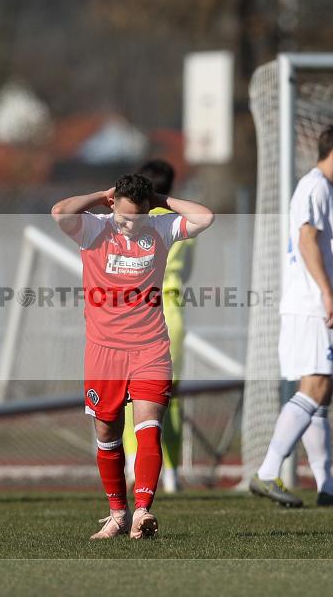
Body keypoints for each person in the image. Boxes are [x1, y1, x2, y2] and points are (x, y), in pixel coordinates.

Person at [51, 174, 214, 539]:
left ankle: (142, 511)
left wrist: (160, 201)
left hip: (150, 348)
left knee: (148, 428)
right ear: (113, 206)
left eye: (137, 218)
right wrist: (100, 195)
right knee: (107, 431)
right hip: (104, 350)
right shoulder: (95, 228)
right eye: (124, 218)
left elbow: (205, 217)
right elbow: (59, 212)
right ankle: (118, 514)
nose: (130, 225)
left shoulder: (160, 228)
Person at [249, 122, 333, 508]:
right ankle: (267, 472)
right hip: (308, 305)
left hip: (314, 305)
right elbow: (306, 240)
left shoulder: (324, 189)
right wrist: (328, 297)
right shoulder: (313, 187)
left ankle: (326, 486)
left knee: (321, 391)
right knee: (315, 387)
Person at [122, 159, 194, 494]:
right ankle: (173, 473)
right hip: (173, 312)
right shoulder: (179, 222)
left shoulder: (136, 222)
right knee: (171, 399)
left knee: (131, 396)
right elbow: (186, 271)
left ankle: (133, 466)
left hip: (140, 312)